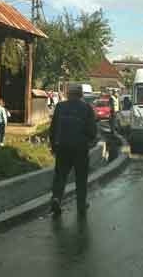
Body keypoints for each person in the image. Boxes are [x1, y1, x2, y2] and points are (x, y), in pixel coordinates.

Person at [49, 84, 97, 217]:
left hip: (62, 147)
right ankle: (81, 204)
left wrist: (53, 146)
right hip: (80, 148)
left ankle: (56, 198)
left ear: (68, 94)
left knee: (60, 175)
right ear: (81, 94)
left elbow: (53, 129)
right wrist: (89, 141)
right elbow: (92, 131)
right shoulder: (87, 108)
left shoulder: (60, 107)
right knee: (81, 177)